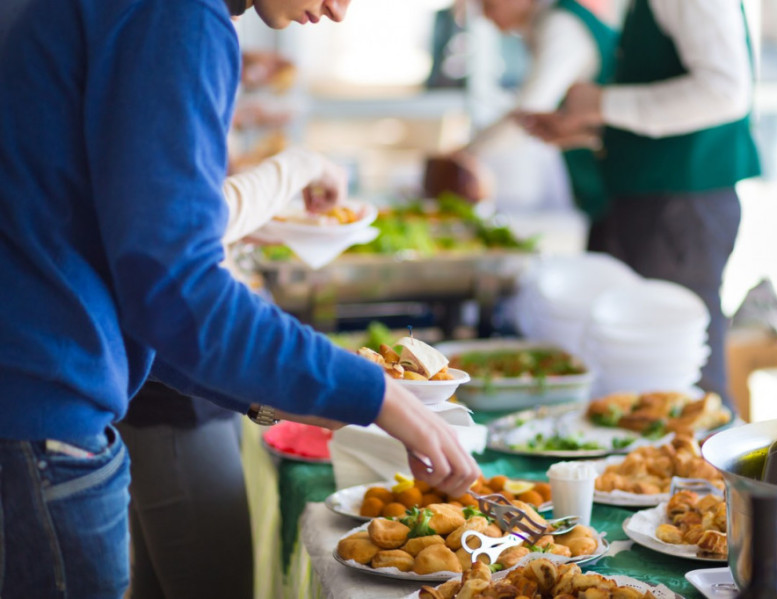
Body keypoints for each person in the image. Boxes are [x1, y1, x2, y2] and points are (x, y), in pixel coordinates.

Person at [0, 1, 480, 598]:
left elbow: (128, 283)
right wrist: (378, 396)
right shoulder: (176, 14)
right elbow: (175, 288)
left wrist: (302, 398)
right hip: (37, 417)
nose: (337, 10)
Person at [119, 146, 347, 599]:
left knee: (158, 581)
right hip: (171, 401)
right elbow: (180, 226)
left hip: (178, 387)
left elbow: (184, 216)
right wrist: (304, 163)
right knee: (215, 584)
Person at [519, 0, 762, 408]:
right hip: (652, 199)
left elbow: (725, 90)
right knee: (635, 371)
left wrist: (602, 103)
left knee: (683, 378)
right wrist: (593, 129)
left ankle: (708, 470)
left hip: (681, 206)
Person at [428, 0, 618, 220]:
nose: (483, 14)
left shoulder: (560, 25)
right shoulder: (542, 26)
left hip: (630, 178)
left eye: (487, 3)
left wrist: (466, 152)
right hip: (603, 177)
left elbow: (530, 113)